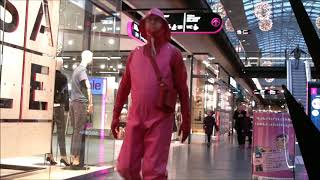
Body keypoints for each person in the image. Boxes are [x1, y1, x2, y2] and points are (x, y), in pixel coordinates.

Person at [111, 8, 191, 180]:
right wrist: (116, 115)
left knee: (153, 171)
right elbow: (124, 86)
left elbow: (183, 90)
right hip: (135, 117)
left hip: (161, 118)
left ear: (164, 25)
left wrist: (187, 119)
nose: (152, 22)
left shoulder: (173, 54)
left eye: (157, 20)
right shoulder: (135, 54)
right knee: (125, 166)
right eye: (149, 19)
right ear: (143, 24)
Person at [69, 50, 93, 169]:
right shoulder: (82, 70)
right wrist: (91, 103)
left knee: (76, 130)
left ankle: (74, 157)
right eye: (91, 56)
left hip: (74, 102)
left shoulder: (76, 70)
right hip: (79, 103)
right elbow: (88, 87)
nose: (92, 59)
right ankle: (76, 159)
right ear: (87, 57)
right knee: (78, 131)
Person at [46, 58, 70, 166]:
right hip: (58, 106)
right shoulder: (63, 78)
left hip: (48, 107)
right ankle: (63, 156)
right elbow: (65, 94)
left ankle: (49, 154)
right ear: (61, 65)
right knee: (61, 132)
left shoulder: (48, 76)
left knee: (48, 132)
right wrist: (67, 108)